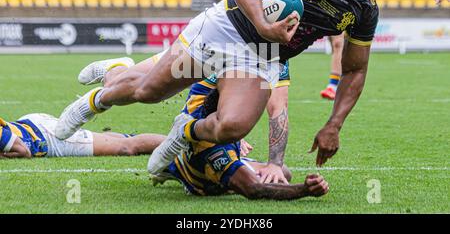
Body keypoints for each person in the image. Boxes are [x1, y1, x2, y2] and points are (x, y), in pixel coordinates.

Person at [55, 0, 404, 176]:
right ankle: (94, 102)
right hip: (226, 29)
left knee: (232, 127)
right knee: (148, 91)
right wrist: (264, 25)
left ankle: (185, 131)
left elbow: (355, 70)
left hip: (262, 58)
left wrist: (334, 125)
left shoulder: (365, 11)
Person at [76, 53, 292, 183]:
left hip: (208, 92)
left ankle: (178, 168)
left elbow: (277, 107)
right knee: (119, 86)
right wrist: (228, 126)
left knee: (282, 173)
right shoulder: (228, 32)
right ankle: (114, 68)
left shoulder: (274, 52)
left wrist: (274, 163)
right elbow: (208, 96)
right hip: (195, 47)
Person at [151, 85, 329, 199]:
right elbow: (253, 189)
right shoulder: (215, 152)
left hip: (194, 140)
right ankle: (178, 169)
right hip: (203, 182)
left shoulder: (206, 98)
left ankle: (172, 160)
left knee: (282, 172)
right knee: (273, 179)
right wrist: (303, 190)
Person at [0, 113, 165, 158]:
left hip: (46, 136)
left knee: (125, 148)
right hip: (32, 126)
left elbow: (24, 152)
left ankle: (179, 143)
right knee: (104, 140)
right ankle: (127, 137)